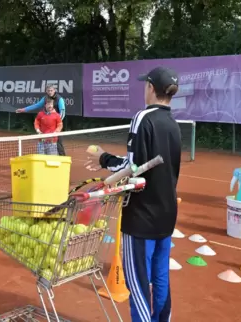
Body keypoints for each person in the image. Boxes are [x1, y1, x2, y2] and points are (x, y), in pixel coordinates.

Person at [85, 66, 181, 322]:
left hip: (141, 217)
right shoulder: (174, 123)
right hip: (167, 213)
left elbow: (132, 168)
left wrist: (103, 157)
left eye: (145, 85)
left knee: (137, 281)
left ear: (151, 87)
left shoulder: (143, 118)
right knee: (160, 276)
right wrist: (108, 163)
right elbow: (144, 165)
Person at [15, 84, 66, 156]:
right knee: (44, 142)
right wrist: (23, 110)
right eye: (48, 91)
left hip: (56, 125)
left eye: (51, 90)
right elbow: (36, 105)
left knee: (58, 143)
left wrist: (57, 123)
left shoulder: (60, 99)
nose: (50, 92)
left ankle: (63, 159)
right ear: (46, 91)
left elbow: (62, 112)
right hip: (46, 126)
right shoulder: (45, 98)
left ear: (54, 90)